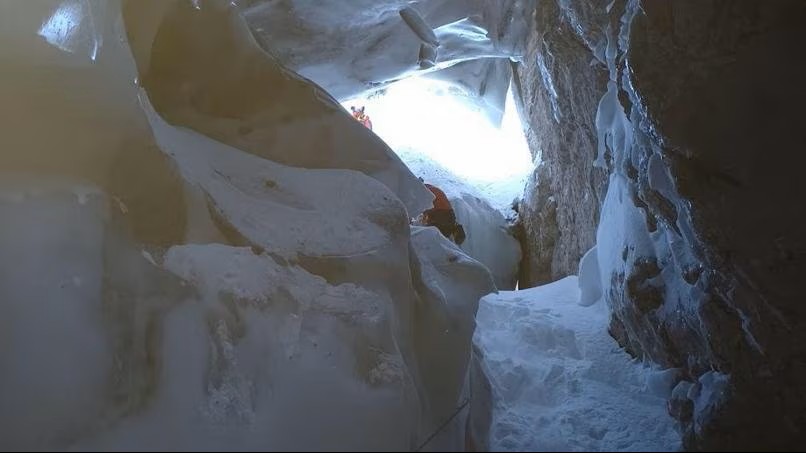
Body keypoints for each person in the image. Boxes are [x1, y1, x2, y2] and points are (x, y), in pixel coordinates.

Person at [419, 178, 466, 245]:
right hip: (448, 215)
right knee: (441, 236)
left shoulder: (425, 191)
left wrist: (423, 221)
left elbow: (425, 206)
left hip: (441, 215)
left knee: (433, 236)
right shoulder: (431, 188)